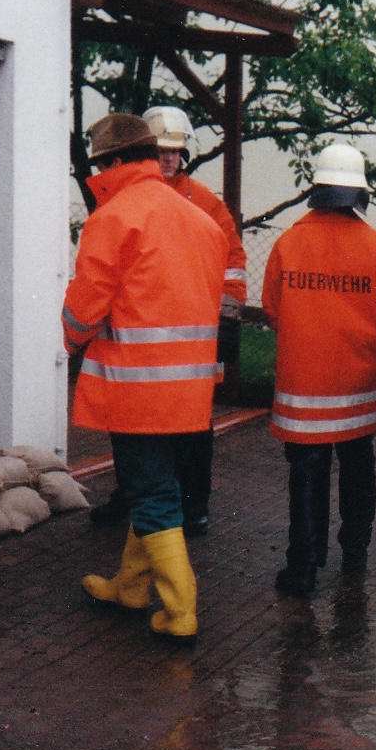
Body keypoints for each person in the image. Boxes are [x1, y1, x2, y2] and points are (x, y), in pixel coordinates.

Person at [65, 114, 226, 640]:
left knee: (151, 493)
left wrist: (69, 341)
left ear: (111, 163)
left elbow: (84, 311)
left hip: (137, 388)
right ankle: (130, 587)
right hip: (191, 390)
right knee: (154, 486)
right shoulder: (201, 221)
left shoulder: (112, 219)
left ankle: (181, 611)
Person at [88, 106, 247, 536]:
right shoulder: (125, 199)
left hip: (190, 345)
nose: (169, 158)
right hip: (144, 341)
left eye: (176, 151)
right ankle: (130, 500)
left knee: (194, 430)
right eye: (162, 150)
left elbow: (233, 265)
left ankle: (195, 507)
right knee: (132, 428)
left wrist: (224, 325)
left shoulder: (206, 202)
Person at [260, 143, 376, 597]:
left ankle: (303, 568)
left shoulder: (288, 242)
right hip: (358, 384)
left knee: (307, 470)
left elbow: (271, 309)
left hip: (303, 385)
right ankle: (355, 552)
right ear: (359, 193)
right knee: (358, 465)